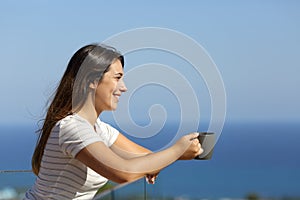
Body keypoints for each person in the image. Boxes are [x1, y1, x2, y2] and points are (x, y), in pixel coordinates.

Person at [24, 44, 203, 200]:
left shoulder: (100, 130)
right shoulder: (72, 128)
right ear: (91, 81)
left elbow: (146, 158)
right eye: (117, 78)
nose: (124, 87)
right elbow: (124, 172)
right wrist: (178, 149)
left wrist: (182, 151)